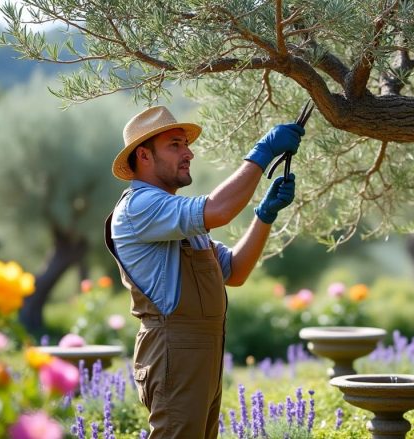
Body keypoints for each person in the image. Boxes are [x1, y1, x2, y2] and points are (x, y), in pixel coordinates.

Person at [104, 105, 304, 438]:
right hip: (174, 350)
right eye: (175, 145)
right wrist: (263, 152)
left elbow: (235, 271)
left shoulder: (174, 215)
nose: (189, 153)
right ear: (144, 155)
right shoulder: (140, 206)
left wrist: (264, 216)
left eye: (186, 144)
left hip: (199, 353)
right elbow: (220, 209)